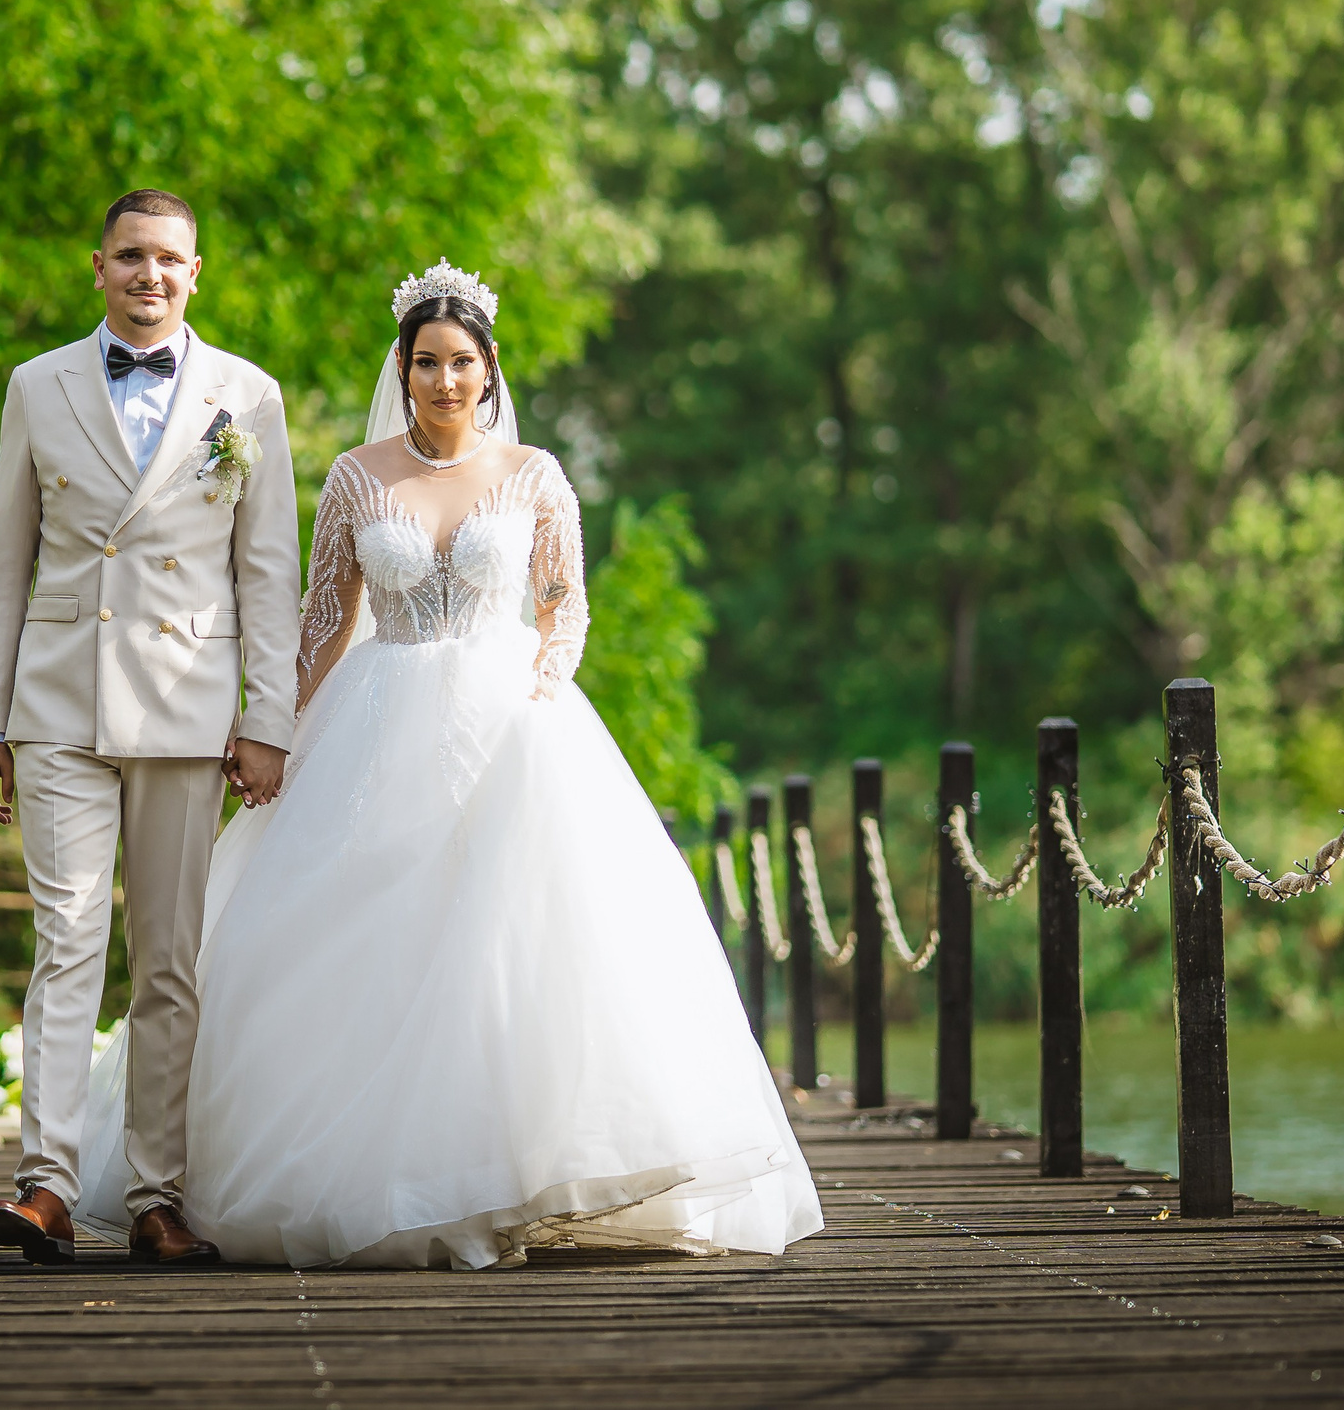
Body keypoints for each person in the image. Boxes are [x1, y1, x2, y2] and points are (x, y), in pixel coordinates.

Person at [71, 260, 825, 1268]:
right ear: (404, 367)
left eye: (460, 361)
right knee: (366, 941)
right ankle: (364, 1177)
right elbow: (325, 619)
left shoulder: (533, 474)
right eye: (425, 362)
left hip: (511, 719)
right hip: (376, 720)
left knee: (511, 942)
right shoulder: (357, 475)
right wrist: (276, 727)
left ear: (487, 367)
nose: (442, 380)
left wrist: (547, 686)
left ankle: (521, 1173)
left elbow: (564, 604)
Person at [0, 189, 299, 1266]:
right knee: (67, 943)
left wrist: (268, 720)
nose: (148, 275)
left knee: (168, 963)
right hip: (57, 704)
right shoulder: (37, 385)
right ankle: (47, 1185)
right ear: (96, 266)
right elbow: (3, 566)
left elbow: (268, 574)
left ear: (196, 273)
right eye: (129, 257)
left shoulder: (247, 396)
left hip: (188, 711)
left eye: (168, 259)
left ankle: (157, 1195)